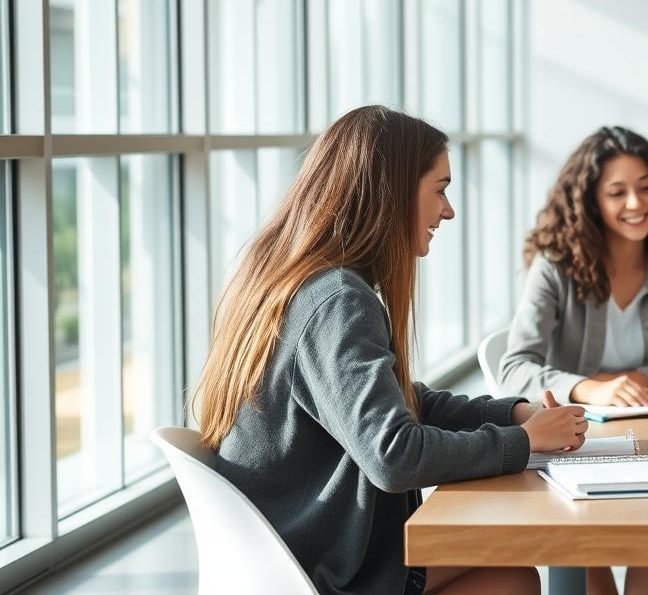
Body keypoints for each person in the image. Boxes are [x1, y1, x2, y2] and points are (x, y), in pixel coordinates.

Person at [196, 105, 588, 595]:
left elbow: (396, 401)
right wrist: (525, 443)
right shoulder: (338, 300)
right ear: (394, 191)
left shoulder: (295, 281)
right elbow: (394, 454)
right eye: (440, 189)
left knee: (513, 574)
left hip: (297, 555)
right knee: (514, 581)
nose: (448, 210)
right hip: (323, 572)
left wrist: (516, 413)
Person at [499, 125, 648, 595]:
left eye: (646, 188)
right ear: (590, 201)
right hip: (575, 445)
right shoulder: (555, 265)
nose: (635, 204)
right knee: (583, 548)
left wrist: (635, 378)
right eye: (617, 192)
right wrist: (590, 387)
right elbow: (514, 369)